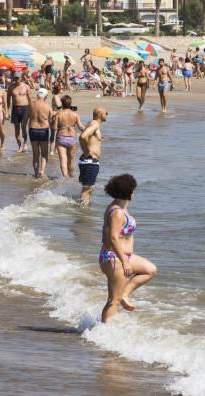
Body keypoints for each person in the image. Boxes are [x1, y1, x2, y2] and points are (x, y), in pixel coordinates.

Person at [99, 174, 157, 322]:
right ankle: (104, 332)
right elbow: (113, 237)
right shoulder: (117, 212)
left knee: (150, 269)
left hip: (121, 256)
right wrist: (124, 261)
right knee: (113, 300)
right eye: (133, 189)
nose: (134, 192)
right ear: (128, 192)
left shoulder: (119, 207)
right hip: (115, 258)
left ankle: (126, 293)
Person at [79, 106, 107, 206]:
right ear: (101, 115)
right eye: (106, 113)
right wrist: (87, 151)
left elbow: (87, 137)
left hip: (89, 161)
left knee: (87, 188)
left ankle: (84, 208)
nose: (107, 115)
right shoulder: (95, 124)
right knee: (87, 189)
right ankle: (83, 213)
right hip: (89, 161)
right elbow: (83, 137)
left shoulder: (93, 124)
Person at [52, 94, 84, 177]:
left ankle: (65, 177)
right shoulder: (75, 114)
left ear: (62, 103)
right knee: (71, 160)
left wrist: (53, 121)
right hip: (71, 138)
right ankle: (71, 176)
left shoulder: (58, 114)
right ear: (70, 103)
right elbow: (81, 127)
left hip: (61, 138)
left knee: (63, 159)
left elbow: (54, 128)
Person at [28, 88, 52, 178]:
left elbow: (25, 119)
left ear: (37, 95)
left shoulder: (31, 104)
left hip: (33, 129)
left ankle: (36, 174)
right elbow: (51, 120)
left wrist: (23, 132)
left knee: (35, 154)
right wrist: (53, 133)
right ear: (45, 96)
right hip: (43, 130)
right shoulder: (48, 105)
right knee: (44, 153)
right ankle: (42, 171)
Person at [7, 72, 32, 152]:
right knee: (16, 128)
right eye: (15, 78)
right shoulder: (11, 87)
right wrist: (7, 111)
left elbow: (30, 99)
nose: (17, 80)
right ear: (13, 78)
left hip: (25, 108)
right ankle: (19, 145)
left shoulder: (26, 86)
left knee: (23, 127)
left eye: (18, 78)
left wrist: (32, 110)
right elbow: (8, 100)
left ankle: (25, 143)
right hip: (15, 108)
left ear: (21, 78)